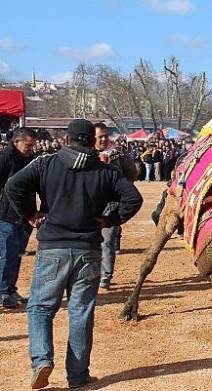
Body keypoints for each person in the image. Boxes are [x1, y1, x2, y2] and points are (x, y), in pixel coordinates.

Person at [5, 119, 143, 389]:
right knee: (81, 313)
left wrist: (31, 215)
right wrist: (109, 220)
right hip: (89, 250)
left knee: (41, 308)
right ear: (93, 141)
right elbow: (133, 199)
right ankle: (78, 376)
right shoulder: (106, 171)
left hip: (53, 248)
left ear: (66, 139)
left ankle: (42, 359)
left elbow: (13, 186)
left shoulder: (46, 163)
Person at [94, 122, 138, 289]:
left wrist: (120, 189)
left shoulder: (118, 153)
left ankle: (105, 275)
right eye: (100, 136)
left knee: (107, 240)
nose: (104, 139)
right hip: (89, 204)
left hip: (112, 204)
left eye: (106, 136)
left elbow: (132, 173)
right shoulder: (86, 153)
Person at [0, 127, 36, 308]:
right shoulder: (5, 157)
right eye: (29, 145)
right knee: (7, 254)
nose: (31, 148)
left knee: (17, 254)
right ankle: (4, 293)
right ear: (17, 142)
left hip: (24, 216)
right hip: (6, 215)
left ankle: (9, 289)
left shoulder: (28, 159)